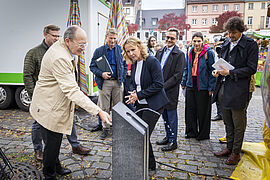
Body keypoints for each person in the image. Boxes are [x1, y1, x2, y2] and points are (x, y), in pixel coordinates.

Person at [29, 25, 112, 179]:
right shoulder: (60, 56)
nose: (83, 48)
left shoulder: (63, 48)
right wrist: (98, 111)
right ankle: (49, 174)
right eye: (81, 45)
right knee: (53, 143)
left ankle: (56, 166)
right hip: (49, 107)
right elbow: (72, 90)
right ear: (67, 41)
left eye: (85, 44)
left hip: (50, 103)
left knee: (53, 143)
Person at [23, 25, 91, 161]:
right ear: (45, 35)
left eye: (58, 36)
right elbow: (27, 75)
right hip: (45, 101)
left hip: (61, 97)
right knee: (40, 126)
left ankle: (74, 145)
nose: (56, 38)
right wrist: (34, 95)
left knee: (67, 121)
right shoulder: (34, 52)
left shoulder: (66, 50)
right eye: (53, 35)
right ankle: (39, 150)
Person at [212, 17, 258, 165]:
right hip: (224, 87)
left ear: (241, 31)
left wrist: (231, 73)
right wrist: (218, 71)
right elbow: (223, 62)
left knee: (238, 123)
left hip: (239, 89)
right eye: (229, 32)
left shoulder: (250, 45)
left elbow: (251, 68)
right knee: (227, 121)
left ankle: (236, 152)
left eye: (234, 33)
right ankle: (229, 147)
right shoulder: (226, 42)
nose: (231, 35)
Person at [123, 36, 168, 171]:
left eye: (133, 50)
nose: (131, 54)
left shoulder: (152, 61)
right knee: (139, 133)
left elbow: (159, 84)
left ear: (140, 47)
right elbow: (135, 83)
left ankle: (149, 165)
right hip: (141, 103)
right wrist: (133, 94)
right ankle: (148, 163)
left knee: (143, 134)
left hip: (154, 104)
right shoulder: (135, 62)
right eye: (128, 51)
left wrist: (139, 95)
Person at [90, 28, 127, 139]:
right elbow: (92, 66)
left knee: (118, 107)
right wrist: (101, 74)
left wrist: (123, 77)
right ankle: (105, 128)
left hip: (118, 82)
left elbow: (125, 65)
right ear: (106, 37)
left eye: (115, 38)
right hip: (104, 83)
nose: (112, 40)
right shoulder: (99, 51)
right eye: (110, 38)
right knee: (104, 107)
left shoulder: (121, 50)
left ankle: (117, 128)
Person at [181, 32, 216, 141]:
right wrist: (183, 81)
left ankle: (203, 134)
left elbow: (212, 70)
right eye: (194, 41)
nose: (196, 43)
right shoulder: (190, 51)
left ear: (202, 41)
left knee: (203, 110)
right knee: (190, 109)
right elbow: (187, 68)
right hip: (191, 83)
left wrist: (211, 87)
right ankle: (191, 132)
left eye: (198, 41)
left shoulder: (208, 53)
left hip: (203, 85)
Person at [155, 28, 185, 151]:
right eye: (167, 37)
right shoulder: (160, 51)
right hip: (159, 89)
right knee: (164, 115)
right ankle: (168, 137)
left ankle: (173, 141)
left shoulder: (180, 54)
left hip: (170, 90)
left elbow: (178, 75)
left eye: (172, 38)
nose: (169, 40)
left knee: (172, 116)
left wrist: (163, 86)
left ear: (177, 39)